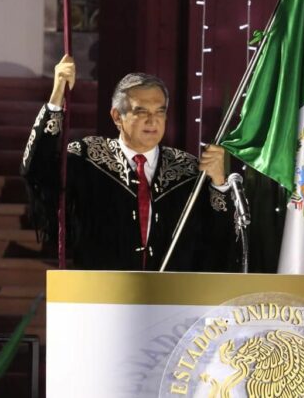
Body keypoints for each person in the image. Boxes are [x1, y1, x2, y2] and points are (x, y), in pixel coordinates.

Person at [21, 56, 234, 271]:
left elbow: (219, 239)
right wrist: (57, 96)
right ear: (117, 116)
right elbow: (37, 169)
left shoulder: (186, 168)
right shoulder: (88, 157)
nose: (152, 121)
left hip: (171, 289)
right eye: (141, 112)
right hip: (101, 286)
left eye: (159, 112)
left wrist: (218, 184)